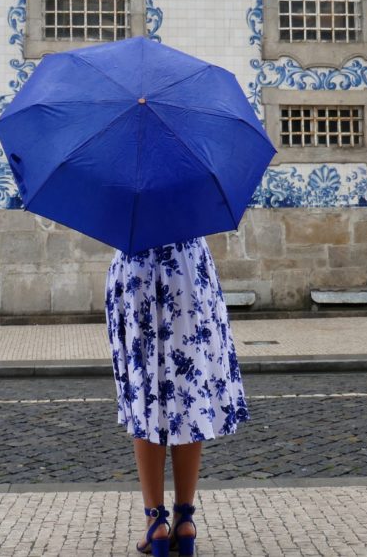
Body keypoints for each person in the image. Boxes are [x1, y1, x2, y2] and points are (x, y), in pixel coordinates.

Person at [104, 237, 249, 556]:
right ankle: (185, 519)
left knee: (148, 398)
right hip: (187, 267)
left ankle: (155, 523)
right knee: (189, 395)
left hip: (136, 266)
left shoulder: (131, 194)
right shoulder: (191, 188)